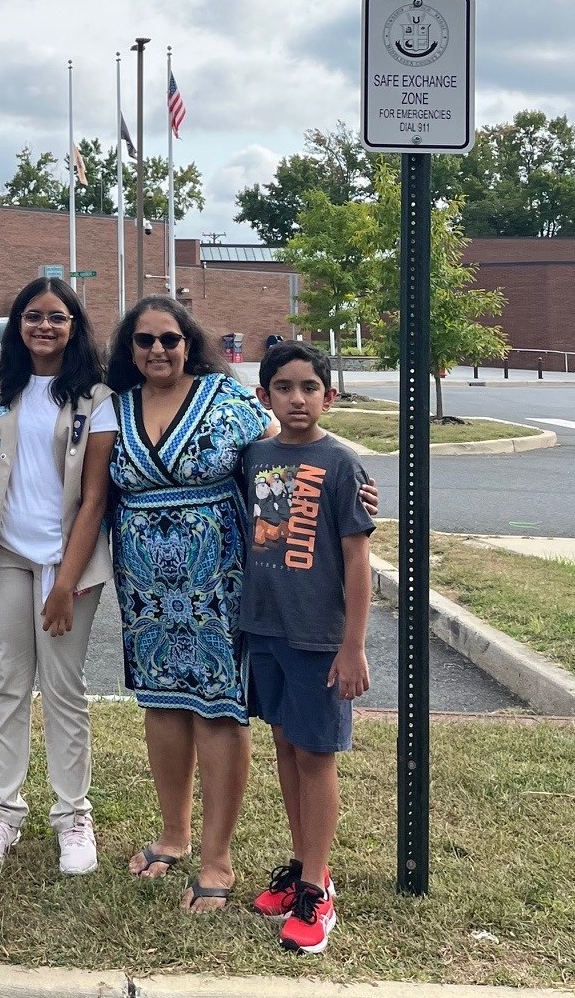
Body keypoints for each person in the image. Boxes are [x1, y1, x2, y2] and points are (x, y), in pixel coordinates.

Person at [106, 295, 273, 911]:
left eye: (169, 340)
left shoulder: (226, 401)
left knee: (218, 709)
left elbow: (284, 452)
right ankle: (173, 834)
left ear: (189, 343)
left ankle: (217, 858)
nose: (158, 351)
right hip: (146, 588)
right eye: (145, 341)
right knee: (163, 704)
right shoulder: (114, 408)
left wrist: (343, 479)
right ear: (130, 349)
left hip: (218, 585)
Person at [0, 277, 116, 877]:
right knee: (8, 686)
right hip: (3, 557)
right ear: (17, 326)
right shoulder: (1, 388)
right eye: (32, 317)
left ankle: (74, 816)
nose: (44, 326)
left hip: (66, 564)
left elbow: (95, 499)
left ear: (74, 326)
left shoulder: (95, 398)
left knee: (65, 689)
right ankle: (3, 813)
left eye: (56, 317)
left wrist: (65, 583)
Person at [241, 341, 374, 956]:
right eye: (285, 387)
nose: (298, 398)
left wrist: (353, 646)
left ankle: (318, 891)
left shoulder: (343, 465)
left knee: (317, 757)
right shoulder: (256, 456)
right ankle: (300, 868)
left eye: (309, 387)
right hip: (266, 629)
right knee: (287, 748)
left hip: (319, 636)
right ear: (265, 395)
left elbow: (356, 558)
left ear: (330, 395)